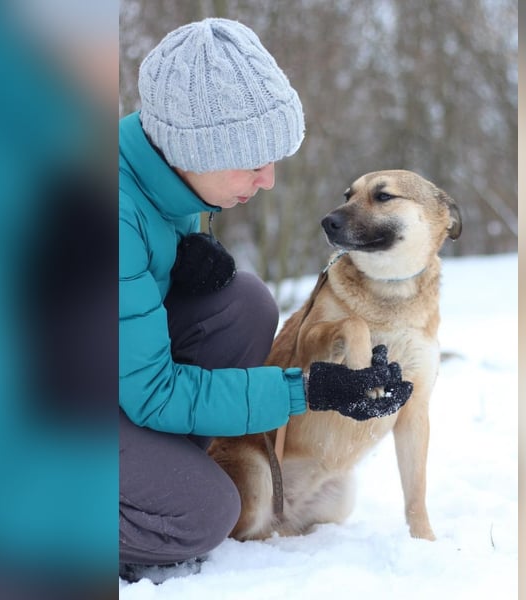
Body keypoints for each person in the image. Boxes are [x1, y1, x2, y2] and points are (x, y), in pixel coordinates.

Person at [118, 18, 414, 582]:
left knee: (243, 302)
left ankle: (155, 471)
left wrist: (187, 248)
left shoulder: (169, 170)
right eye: (253, 162)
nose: (270, 179)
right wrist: (309, 389)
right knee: (202, 512)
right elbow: (151, 391)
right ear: (195, 148)